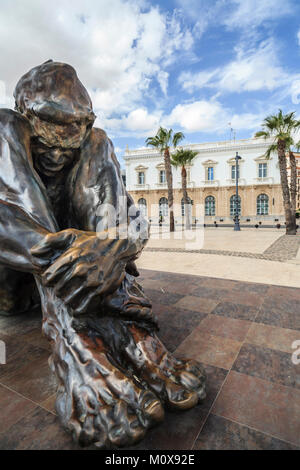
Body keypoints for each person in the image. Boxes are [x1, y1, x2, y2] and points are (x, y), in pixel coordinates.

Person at [0, 60, 205, 448]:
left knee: (100, 233)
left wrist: (113, 248)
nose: (60, 149)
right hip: (11, 284)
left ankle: (134, 338)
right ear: (26, 114)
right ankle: (77, 348)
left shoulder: (92, 142)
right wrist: (75, 253)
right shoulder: (8, 128)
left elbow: (132, 224)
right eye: (49, 131)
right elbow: (11, 221)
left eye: (74, 130)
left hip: (66, 264)